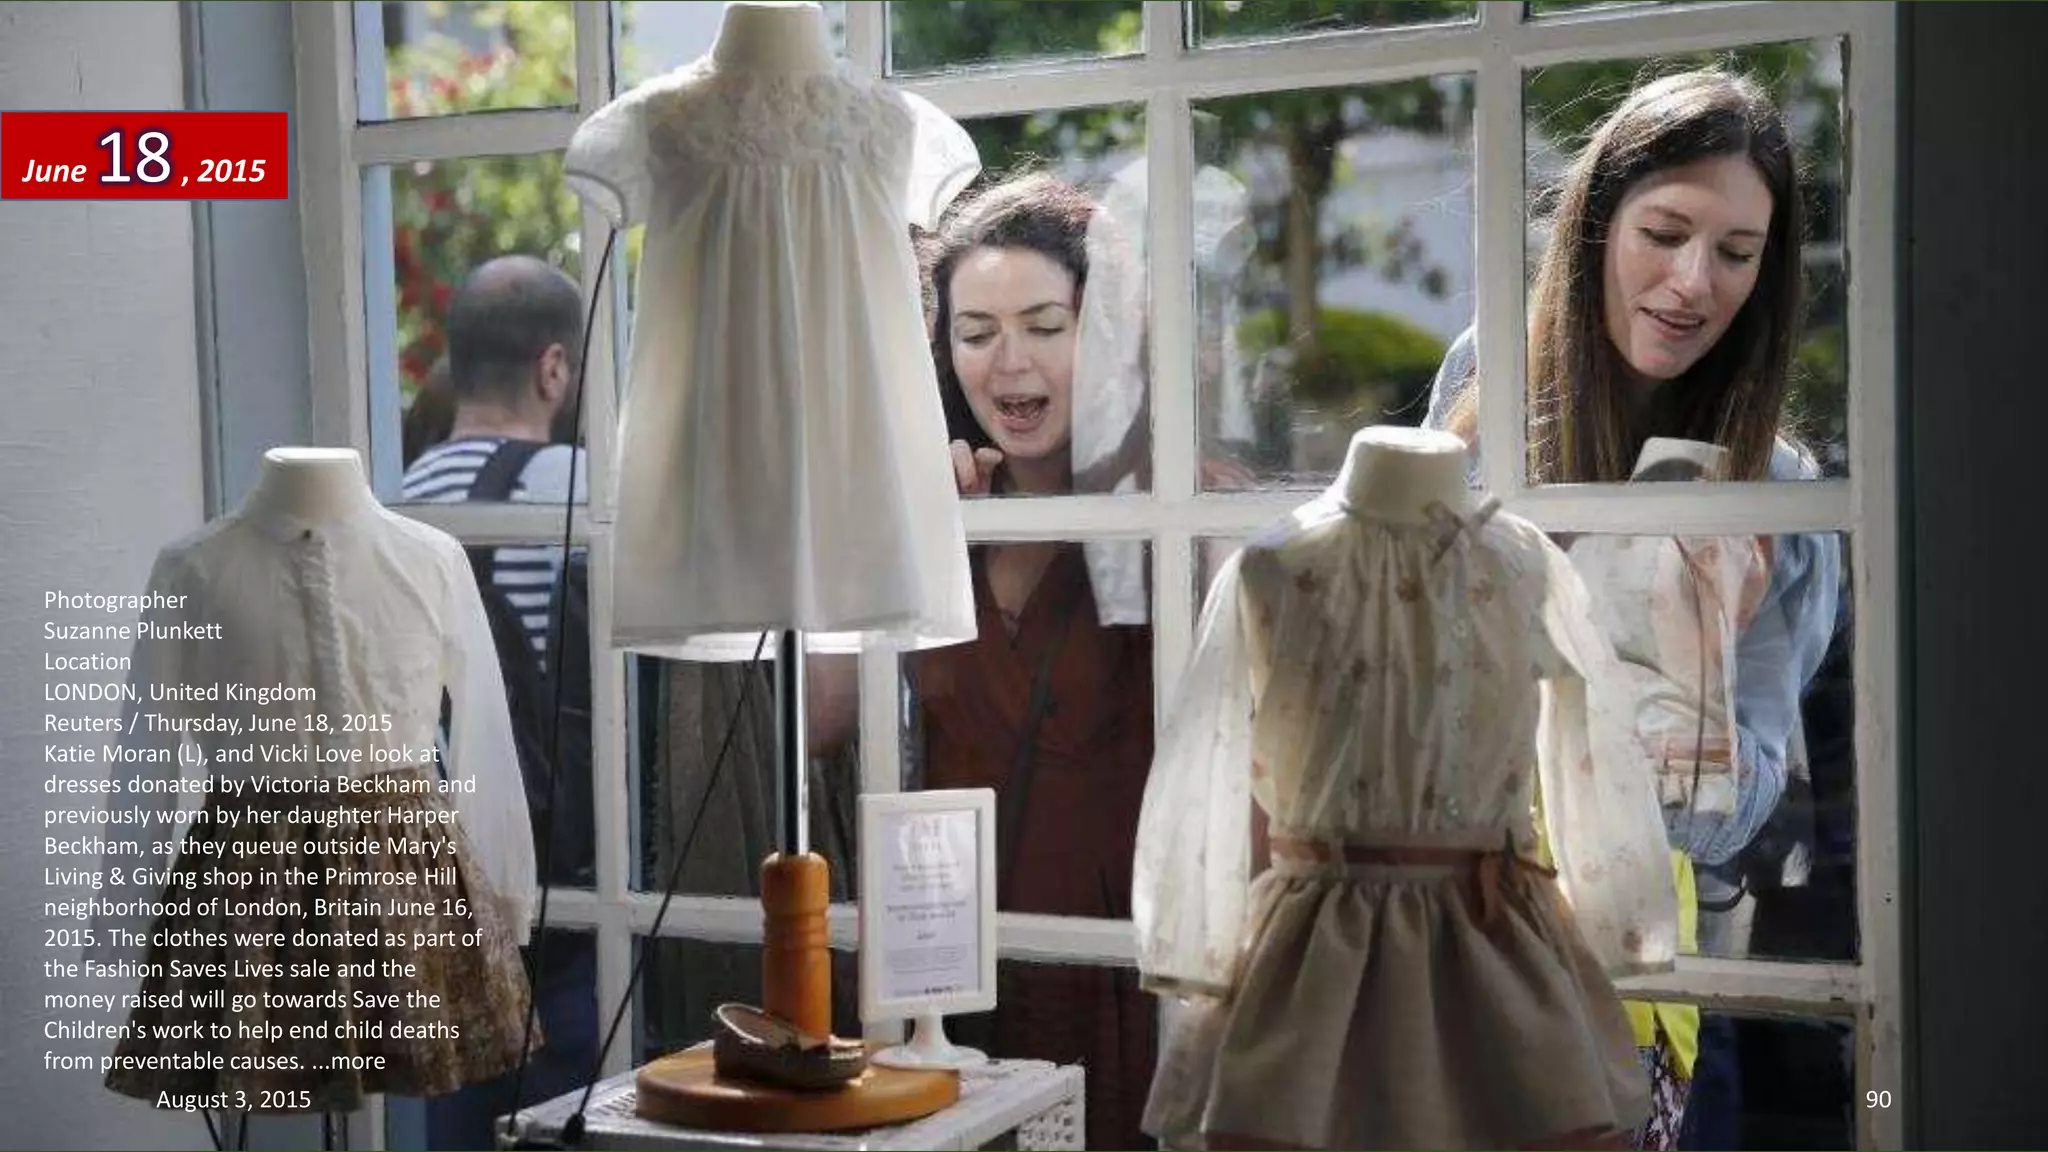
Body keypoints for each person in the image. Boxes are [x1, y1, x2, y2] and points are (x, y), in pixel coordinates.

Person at [1422, 70, 1844, 1149]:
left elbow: (1729, 827)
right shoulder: (1487, 384)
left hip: (1635, 989)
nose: (1692, 281)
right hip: (1431, 934)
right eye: (1662, 232)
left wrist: (1692, 657)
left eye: (1736, 254)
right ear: (1594, 224)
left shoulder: (1776, 493)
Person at [906, 172, 1158, 1152]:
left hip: (1120, 974)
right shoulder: (945, 520)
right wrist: (899, 524)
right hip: (950, 973)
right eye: (975, 333)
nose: (1009, 361)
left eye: (1045, 324)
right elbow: (828, 716)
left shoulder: (1176, 508)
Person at [397, 254, 599, 1151]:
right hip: (569, 900)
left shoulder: (392, 504)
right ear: (553, 369)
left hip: (438, 900)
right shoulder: (580, 489)